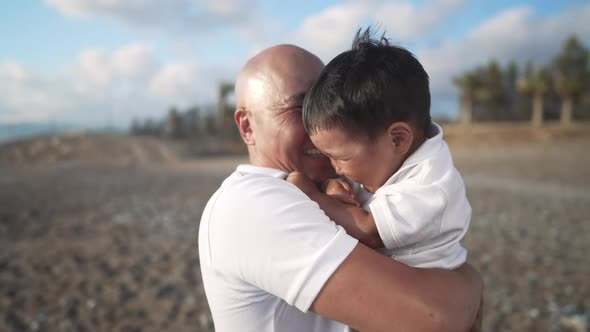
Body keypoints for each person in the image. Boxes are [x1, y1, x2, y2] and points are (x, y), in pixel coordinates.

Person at [198, 42, 482, 332]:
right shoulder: (251, 205)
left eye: (324, 103)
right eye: (301, 107)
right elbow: (433, 319)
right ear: (247, 126)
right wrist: (471, 282)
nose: (322, 122)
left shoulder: (331, 182)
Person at [287, 28, 471, 270]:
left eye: (340, 157)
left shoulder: (432, 183)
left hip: (425, 290)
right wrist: (329, 186)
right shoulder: (385, 160)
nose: (335, 168)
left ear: (397, 139)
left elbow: (369, 231)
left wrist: (312, 195)